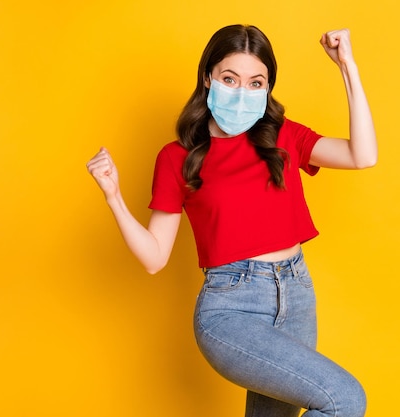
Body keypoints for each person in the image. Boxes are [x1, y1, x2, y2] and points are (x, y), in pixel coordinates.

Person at [86, 24, 377, 417]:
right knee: (344, 399)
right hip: (230, 308)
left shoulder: (283, 136)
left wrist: (347, 67)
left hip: (297, 295)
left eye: (256, 82)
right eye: (230, 78)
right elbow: (154, 257)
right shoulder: (178, 157)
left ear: (268, 87)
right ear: (208, 78)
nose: (242, 92)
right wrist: (114, 197)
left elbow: (363, 155)